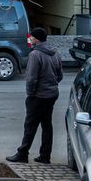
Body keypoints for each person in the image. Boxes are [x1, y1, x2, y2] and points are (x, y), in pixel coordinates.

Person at [9, 27, 63, 165]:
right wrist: (52, 84)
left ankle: (23, 153)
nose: (30, 39)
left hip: (39, 96)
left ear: (36, 39)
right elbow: (60, 76)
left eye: (31, 37)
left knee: (30, 125)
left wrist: (31, 94)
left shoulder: (35, 55)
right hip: (52, 94)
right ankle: (45, 155)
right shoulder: (55, 53)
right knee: (47, 124)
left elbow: (31, 78)